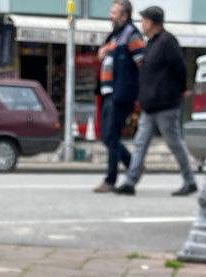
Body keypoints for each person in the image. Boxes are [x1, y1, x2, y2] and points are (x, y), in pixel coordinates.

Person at [114, 6, 197, 196]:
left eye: (143, 20)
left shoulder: (167, 41)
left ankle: (190, 181)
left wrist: (182, 89)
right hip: (150, 105)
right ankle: (130, 181)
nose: (141, 24)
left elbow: (180, 68)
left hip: (166, 104)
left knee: (174, 143)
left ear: (151, 22)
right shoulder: (152, 43)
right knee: (140, 143)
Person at [93, 0, 145, 194]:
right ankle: (133, 165)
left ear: (124, 16)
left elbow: (142, 64)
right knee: (106, 136)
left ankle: (110, 179)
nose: (110, 16)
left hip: (121, 94)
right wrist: (102, 54)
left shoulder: (131, 35)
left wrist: (138, 93)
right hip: (109, 93)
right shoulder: (115, 35)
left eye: (114, 12)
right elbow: (108, 57)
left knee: (112, 136)